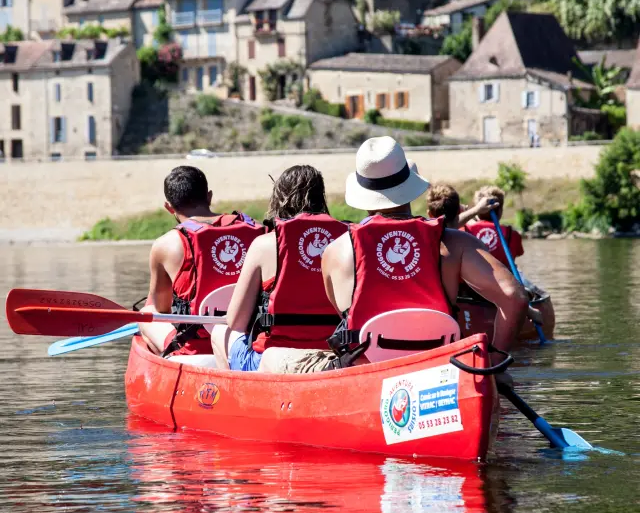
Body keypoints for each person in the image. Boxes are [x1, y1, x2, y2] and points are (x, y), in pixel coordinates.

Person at [321, 137, 528, 362]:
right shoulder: (454, 243)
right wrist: (496, 362)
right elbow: (514, 296)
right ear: (409, 184)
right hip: (438, 367)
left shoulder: (336, 250)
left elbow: (343, 312)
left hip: (368, 371)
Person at [211, 165, 347, 373]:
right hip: (331, 356)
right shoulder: (347, 240)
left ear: (279, 197)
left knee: (220, 332)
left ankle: (234, 398)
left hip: (274, 359)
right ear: (321, 197)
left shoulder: (264, 244)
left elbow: (236, 322)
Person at [139, 165, 265, 356]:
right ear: (209, 196)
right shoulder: (259, 229)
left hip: (198, 348)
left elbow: (160, 308)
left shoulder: (166, 244)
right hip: (250, 339)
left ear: (169, 207)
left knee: (146, 315)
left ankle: (168, 360)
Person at [461, 186, 524, 269]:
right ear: (500, 210)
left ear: (478, 209)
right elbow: (519, 252)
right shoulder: (513, 235)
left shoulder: (463, 230)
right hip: (503, 280)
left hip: (471, 279)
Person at [426, 184, 504, 230]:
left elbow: (447, 227)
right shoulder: (511, 234)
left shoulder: (423, 234)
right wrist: (475, 210)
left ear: (429, 214)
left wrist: (475, 211)